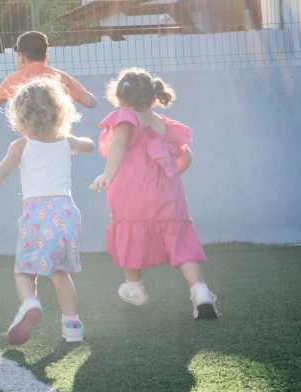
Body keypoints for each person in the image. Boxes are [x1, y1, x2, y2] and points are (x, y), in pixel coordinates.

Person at [0, 78, 95, 345]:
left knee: (24, 271)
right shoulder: (65, 141)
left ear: (21, 116)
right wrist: (82, 142)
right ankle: (72, 327)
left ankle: (29, 303)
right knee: (60, 273)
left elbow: (1, 171)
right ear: (59, 111)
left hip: (38, 215)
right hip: (67, 213)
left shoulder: (21, 145)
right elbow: (89, 145)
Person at [89, 67, 219, 319]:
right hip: (168, 195)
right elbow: (186, 156)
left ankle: (135, 287)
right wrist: (167, 179)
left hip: (132, 193)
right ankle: (200, 291)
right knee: (179, 238)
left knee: (129, 230)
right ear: (152, 98)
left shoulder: (124, 119)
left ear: (120, 100)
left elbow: (118, 145)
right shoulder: (162, 124)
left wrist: (107, 174)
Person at [0, 31, 96, 111]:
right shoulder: (60, 76)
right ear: (46, 57)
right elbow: (90, 102)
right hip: (62, 137)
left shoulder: (13, 80)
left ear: (21, 56)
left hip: (33, 139)